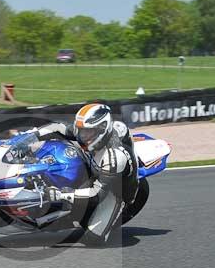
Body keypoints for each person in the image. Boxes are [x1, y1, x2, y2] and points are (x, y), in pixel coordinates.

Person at [26, 103, 138, 245]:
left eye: (87, 132)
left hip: (114, 190)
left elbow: (97, 194)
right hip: (95, 167)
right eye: (80, 130)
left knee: (93, 239)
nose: (81, 135)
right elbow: (59, 127)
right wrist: (32, 136)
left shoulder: (114, 157)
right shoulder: (91, 134)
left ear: (102, 129)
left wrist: (62, 195)